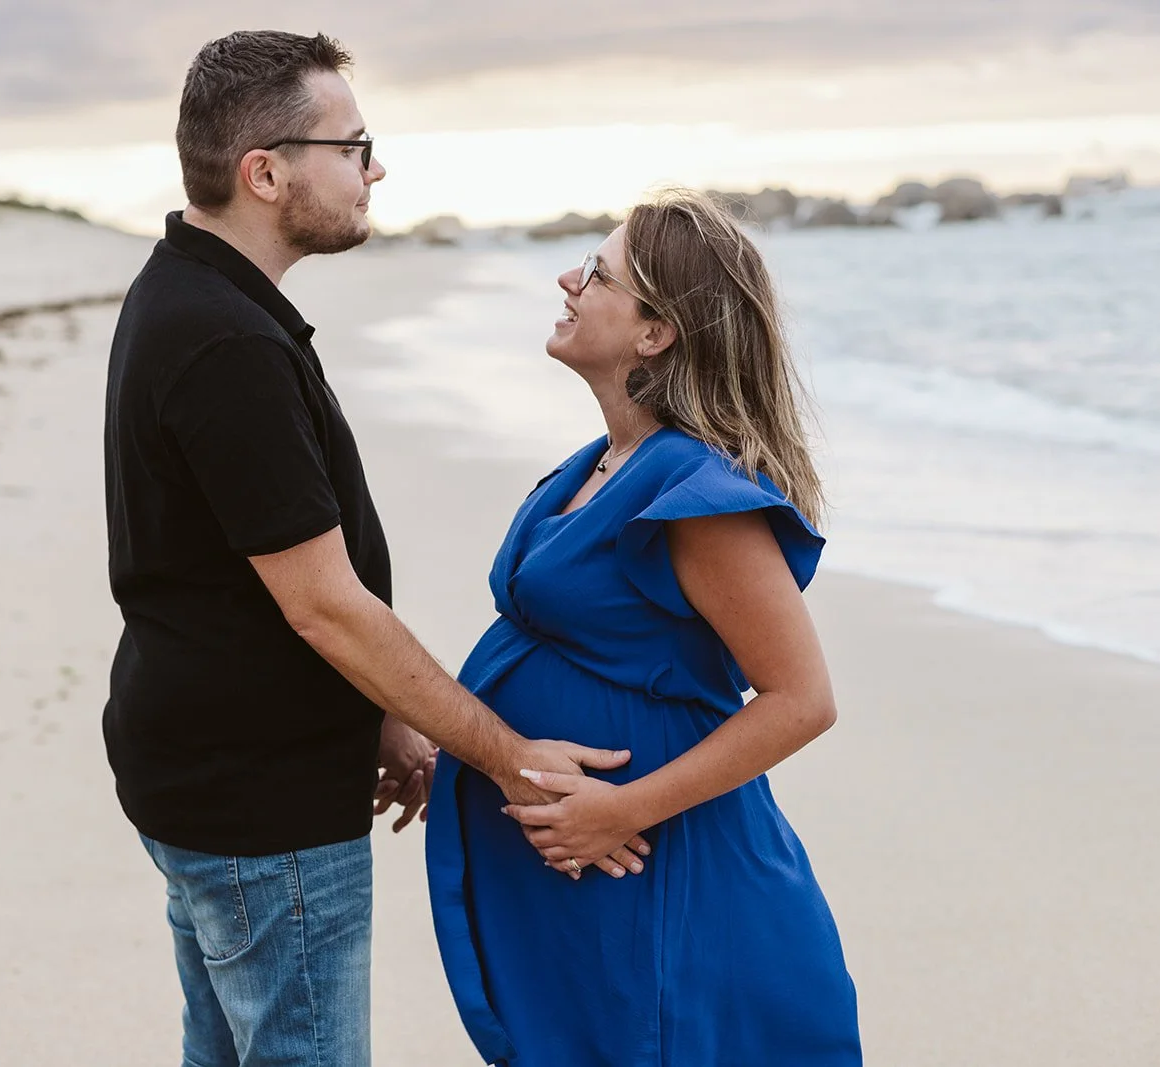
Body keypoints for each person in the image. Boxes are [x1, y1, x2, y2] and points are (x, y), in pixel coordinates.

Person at [101, 30, 631, 1067]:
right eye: (352, 146)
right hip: (258, 801)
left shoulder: (198, 296)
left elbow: (243, 573)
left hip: (206, 768)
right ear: (265, 172)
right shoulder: (226, 341)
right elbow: (323, 603)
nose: (373, 167)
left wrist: (383, 712)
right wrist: (514, 760)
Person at [426, 189, 862, 1065]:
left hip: (667, 873)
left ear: (655, 332)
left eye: (595, 272)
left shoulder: (697, 497)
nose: (567, 278)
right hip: (593, 876)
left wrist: (620, 808)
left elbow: (802, 699)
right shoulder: (597, 464)